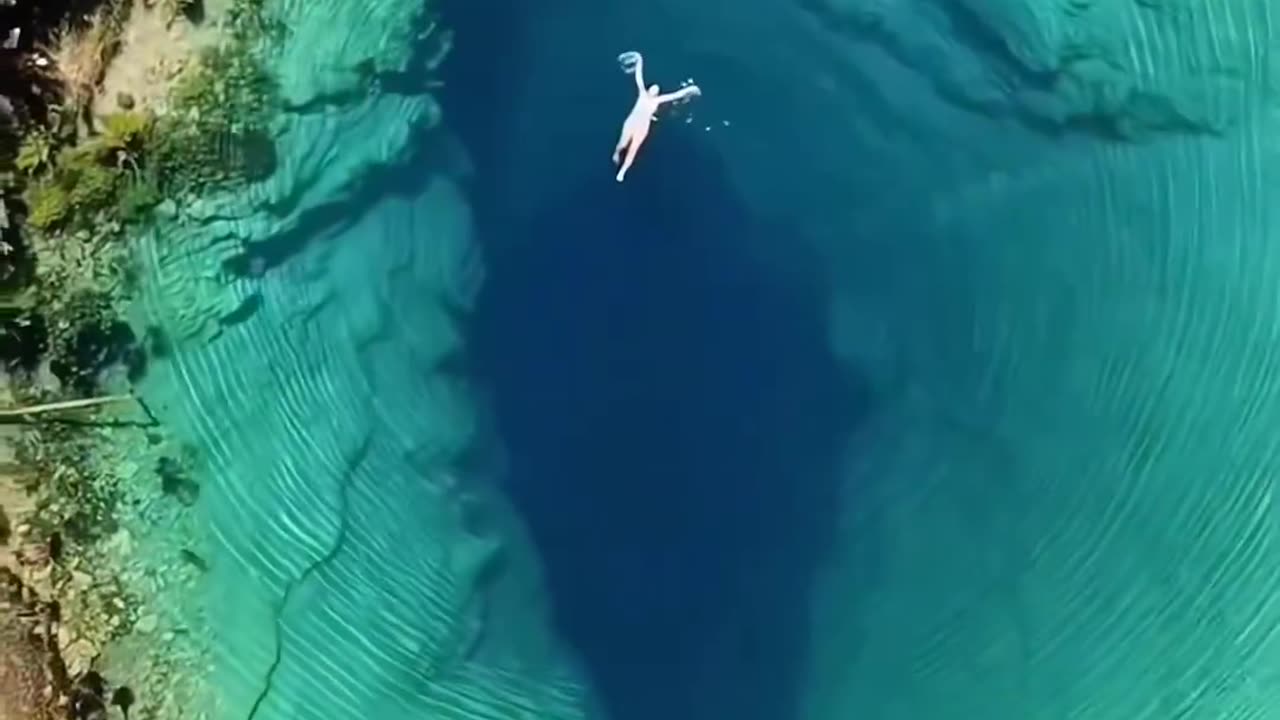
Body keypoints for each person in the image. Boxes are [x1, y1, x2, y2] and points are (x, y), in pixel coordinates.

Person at [612, 51, 701, 182]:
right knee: (622, 144)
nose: (655, 90)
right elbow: (639, 76)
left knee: (633, 150)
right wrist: (639, 59)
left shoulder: (657, 100)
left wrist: (690, 90)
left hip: (643, 126)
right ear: (649, 89)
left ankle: (622, 171)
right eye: (653, 88)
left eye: (656, 89)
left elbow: (676, 95)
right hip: (632, 121)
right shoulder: (642, 93)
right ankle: (616, 153)